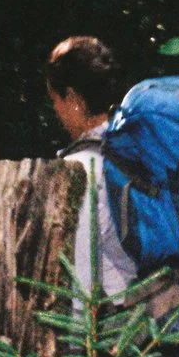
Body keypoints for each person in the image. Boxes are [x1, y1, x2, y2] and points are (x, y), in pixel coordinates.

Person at [45, 34, 141, 302]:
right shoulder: (135, 146)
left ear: (73, 98)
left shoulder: (79, 170)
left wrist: (77, 343)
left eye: (55, 99)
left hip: (120, 326)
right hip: (163, 307)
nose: (56, 110)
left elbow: (82, 278)